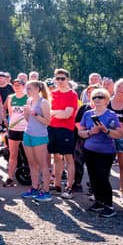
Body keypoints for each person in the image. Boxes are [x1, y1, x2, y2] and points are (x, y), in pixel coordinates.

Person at [78, 89, 123, 218]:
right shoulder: (87, 114)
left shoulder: (111, 115)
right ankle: (99, 202)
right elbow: (80, 132)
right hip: (89, 150)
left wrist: (105, 130)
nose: (97, 99)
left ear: (106, 100)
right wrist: (90, 132)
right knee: (93, 177)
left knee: (102, 177)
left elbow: (119, 134)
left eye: (100, 97)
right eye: (95, 97)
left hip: (106, 151)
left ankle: (109, 205)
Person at [48, 68, 78, 198]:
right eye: (57, 78)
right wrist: (57, 112)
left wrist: (53, 113)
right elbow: (47, 112)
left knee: (68, 158)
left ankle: (69, 187)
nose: (60, 81)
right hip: (52, 128)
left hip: (66, 129)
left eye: (62, 78)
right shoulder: (51, 94)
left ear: (68, 80)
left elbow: (67, 114)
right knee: (56, 157)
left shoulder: (72, 94)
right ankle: (57, 184)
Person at [20, 81, 52, 201]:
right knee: (32, 163)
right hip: (28, 134)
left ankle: (46, 191)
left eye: (29, 88)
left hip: (39, 136)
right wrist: (26, 113)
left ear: (38, 89)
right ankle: (34, 188)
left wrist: (35, 114)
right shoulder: (29, 101)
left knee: (43, 164)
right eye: (26, 88)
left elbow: (47, 121)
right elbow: (28, 120)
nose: (27, 91)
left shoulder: (44, 102)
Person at [4, 78, 28, 186]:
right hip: (13, 129)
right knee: (13, 155)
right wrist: (6, 121)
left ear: (23, 85)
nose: (16, 86)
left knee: (29, 155)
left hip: (25, 129)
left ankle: (32, 177)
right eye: (14, 85)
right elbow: (10, 113)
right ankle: (10, 177)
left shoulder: (28, 98)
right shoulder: (11, 98)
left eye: (19, 84)